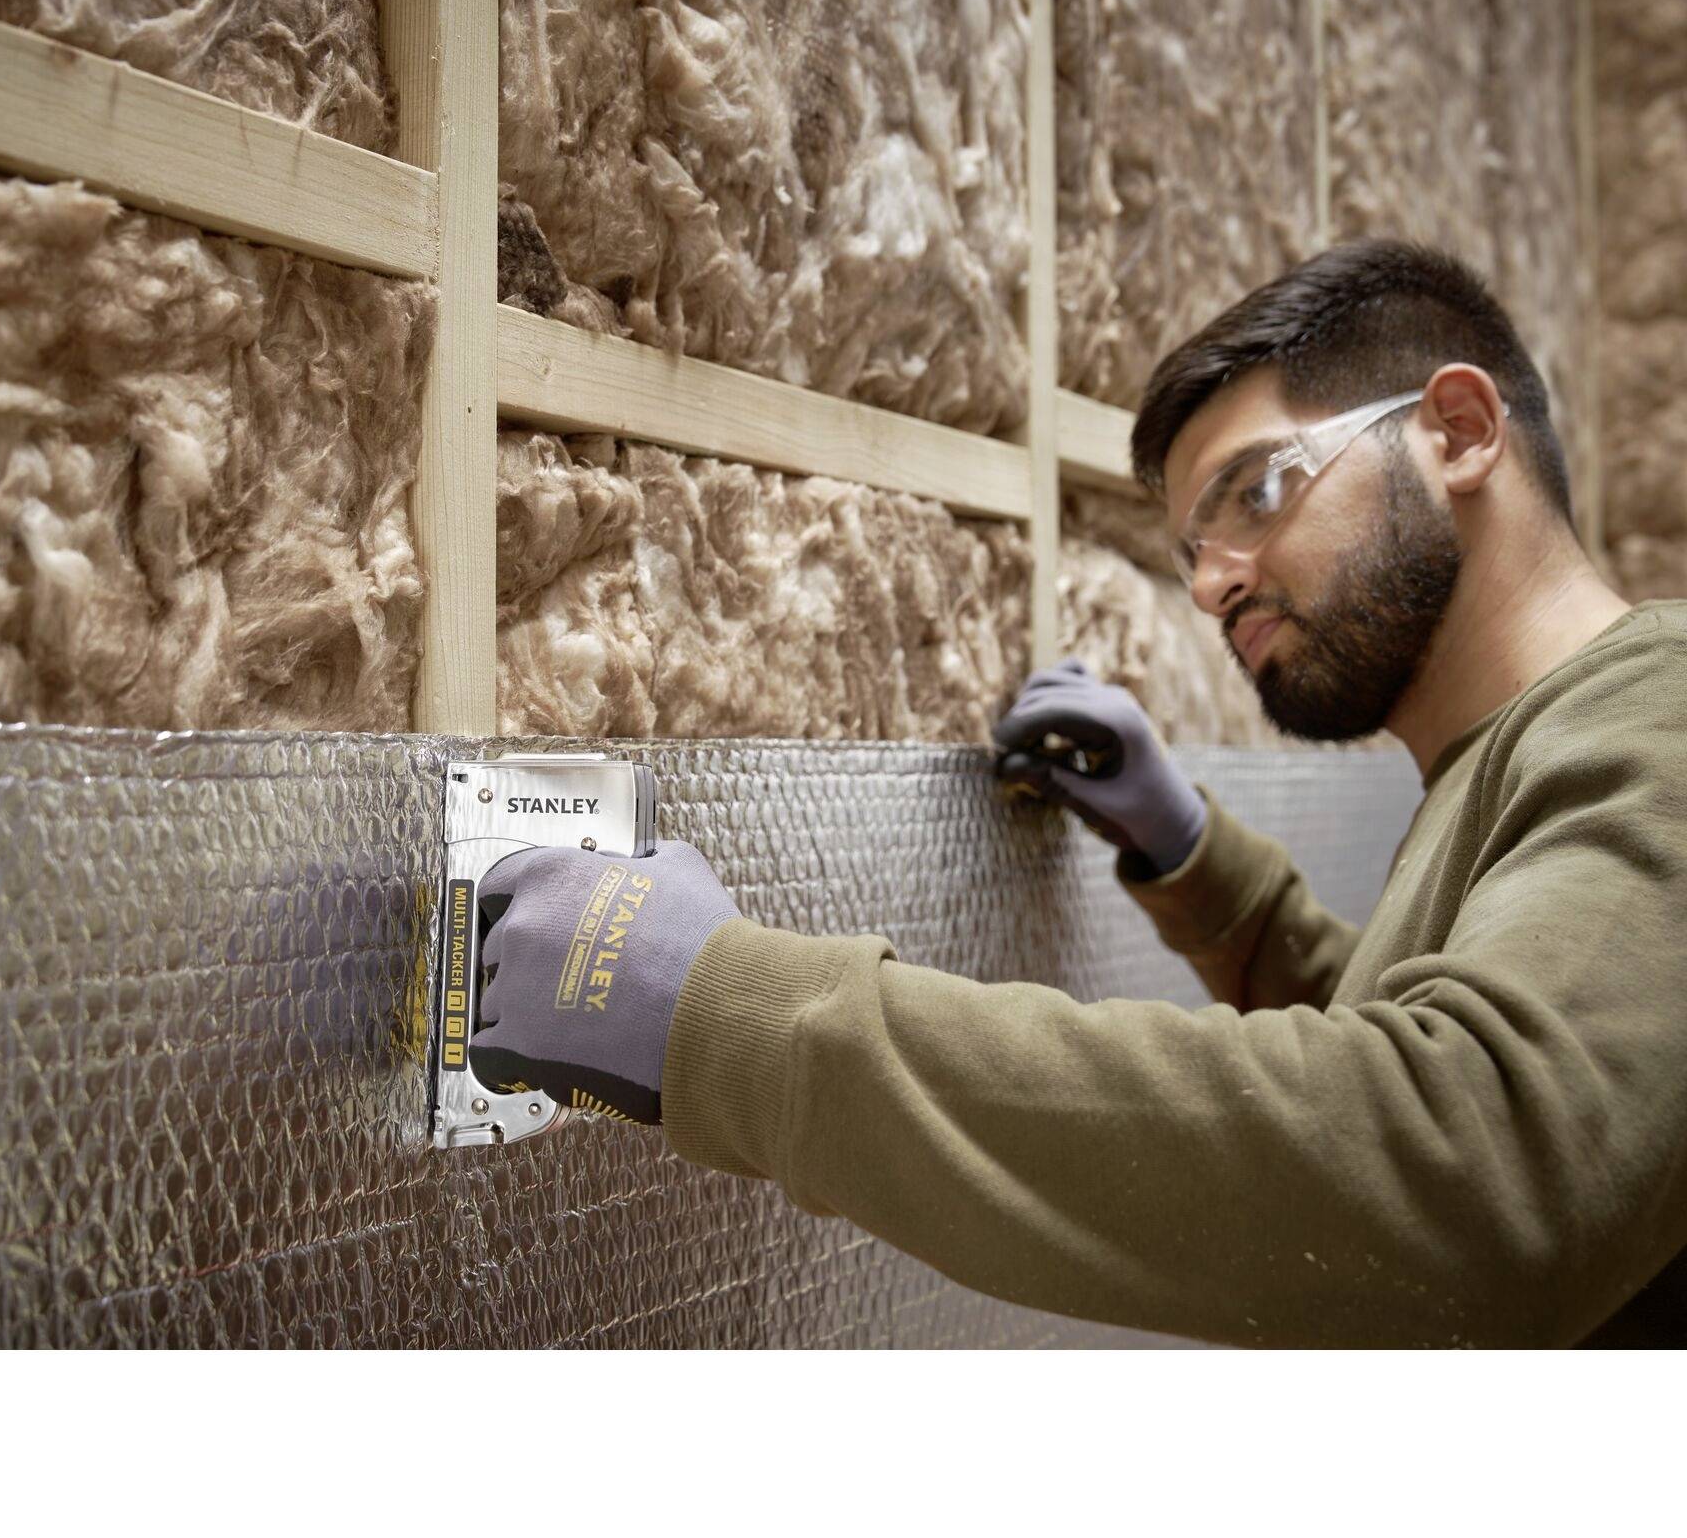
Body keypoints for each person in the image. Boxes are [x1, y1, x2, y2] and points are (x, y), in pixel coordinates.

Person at [468, 240, 1687, 1347]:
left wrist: (736, 1017)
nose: (1212, 585)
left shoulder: (1660, 711)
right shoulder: (1514, 756)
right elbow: (1469, 1041)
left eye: (1257, 491)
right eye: (1189, 551)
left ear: (1459, 430)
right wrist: (1191, 856)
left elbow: (1479, 1169)